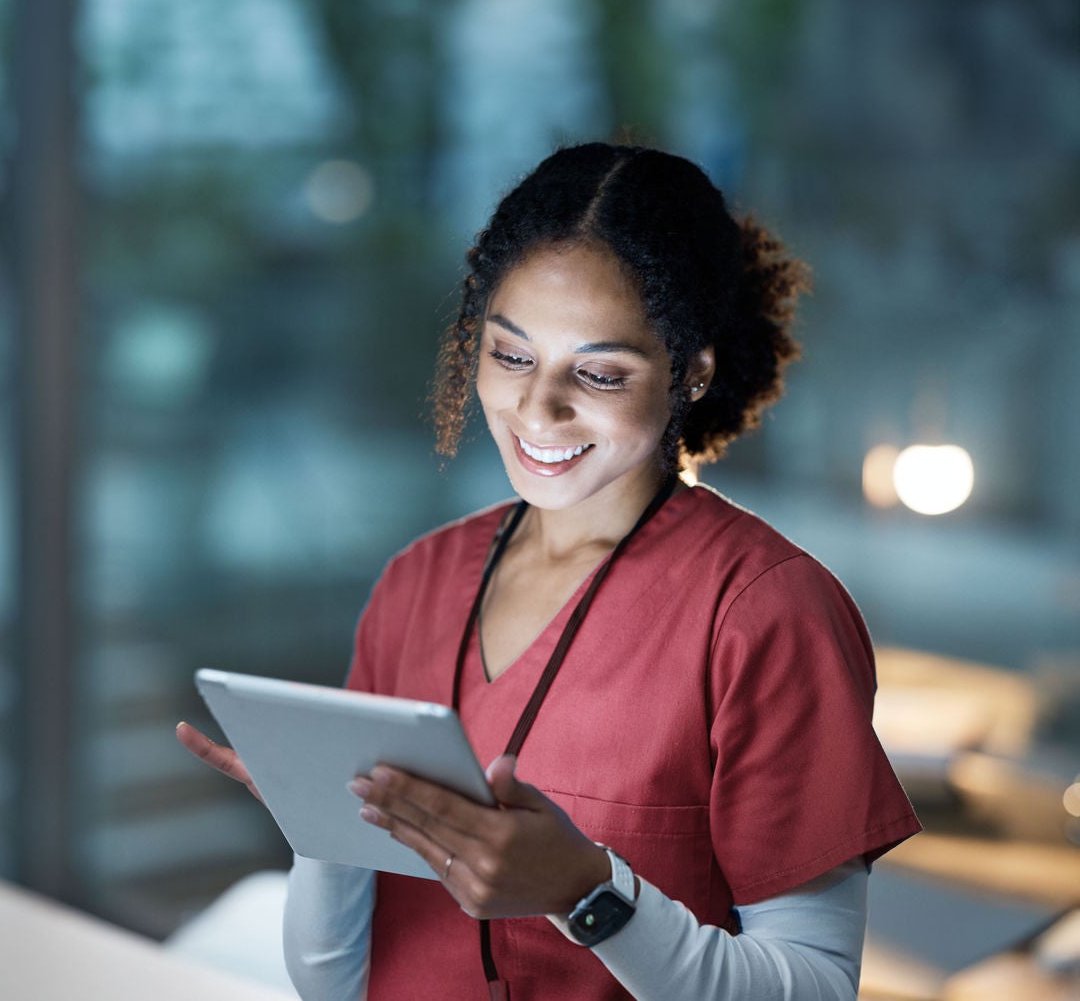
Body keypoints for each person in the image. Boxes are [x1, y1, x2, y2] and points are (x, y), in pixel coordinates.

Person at [174, 142, 920, 1001]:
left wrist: (585, 892)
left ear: (694, 371)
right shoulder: (418, 583)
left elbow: (817, 989)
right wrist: (326, 832)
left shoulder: (764, 614)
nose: (537, 408)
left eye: (598, 372)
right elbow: (333, 984)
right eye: (511, 355)